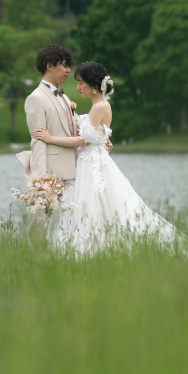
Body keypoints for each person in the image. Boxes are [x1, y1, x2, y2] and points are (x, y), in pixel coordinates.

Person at [33, 61, 188, 257]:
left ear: (93, 85)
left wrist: (50, 138)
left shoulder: (99, 107)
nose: (78, 87)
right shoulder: (101, 105)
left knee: (92, 203)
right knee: (95, 205)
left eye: (81, 83)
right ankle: (98, 247)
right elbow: (99, 136)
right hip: (93, 160)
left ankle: (90, 249)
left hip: (91, 164)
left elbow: (84, 140)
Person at [17, 45, 111, 244]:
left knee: (69, 222)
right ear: (49, 66)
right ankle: (36, 258)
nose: (69, 70)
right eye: (64, 65)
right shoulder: (36, 98)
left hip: (72, 168)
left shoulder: (64, 96)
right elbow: (38, 140)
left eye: (70, 65)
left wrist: (101, 139)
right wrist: (40, 180)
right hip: (49, 172)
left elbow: (79, 128)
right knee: (40, 219)